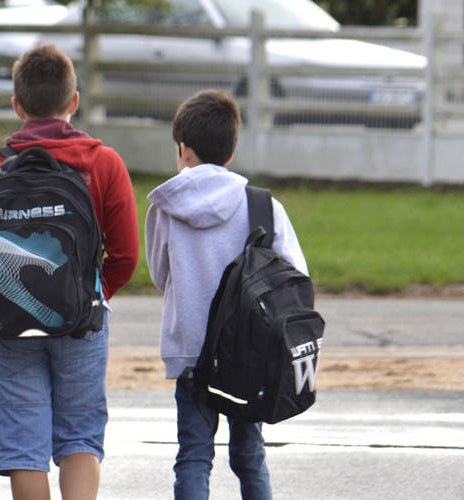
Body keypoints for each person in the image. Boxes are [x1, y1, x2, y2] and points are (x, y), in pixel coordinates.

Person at [0, 44, 140, 500]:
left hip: (8, 320)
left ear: (17, 106)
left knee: (24, 445)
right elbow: (126, 254)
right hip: (82, 323)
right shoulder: (104, 163)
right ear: (73, 101)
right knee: (79, 436)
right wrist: (90, 294)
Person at [145, 90, 309, 500]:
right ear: (231, 152)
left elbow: (161, 276)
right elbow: (296, 277)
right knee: (249, 455)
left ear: (182, 149)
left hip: (192, 353)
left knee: (194, 455)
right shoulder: (263, 206)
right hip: (249, 354)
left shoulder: (165, 206)